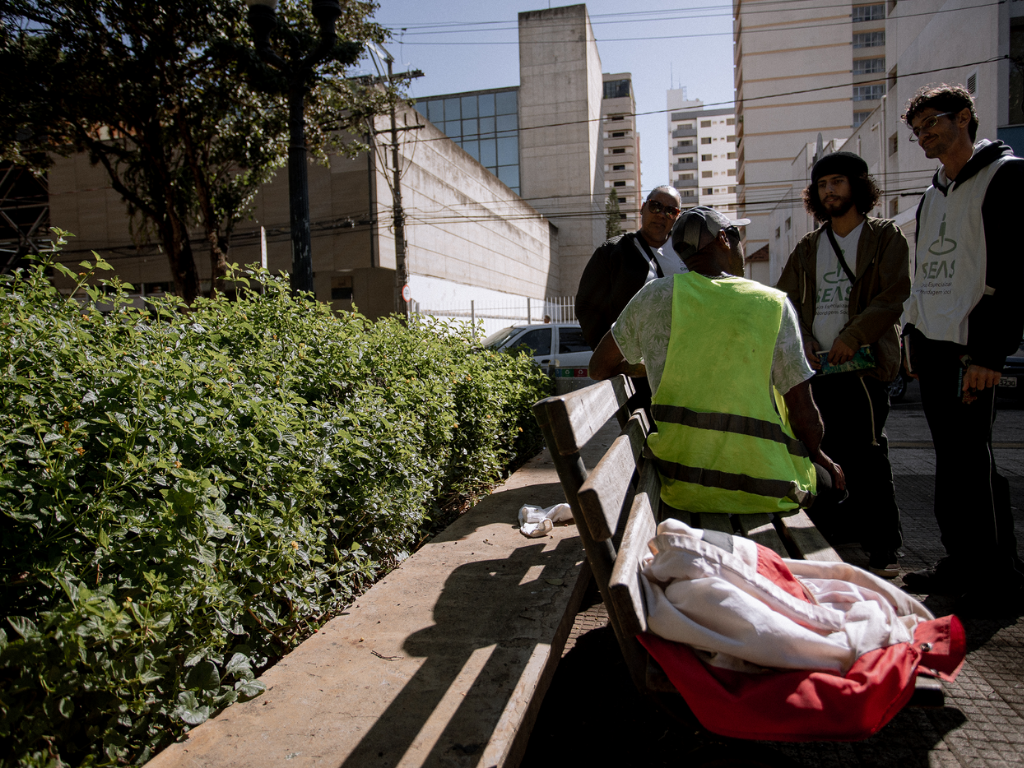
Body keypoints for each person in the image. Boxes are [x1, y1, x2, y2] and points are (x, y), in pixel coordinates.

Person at [589, 206, 844, 514]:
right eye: (738, 238)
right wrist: (818, 454)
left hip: (680, 484)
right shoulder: (771, 304)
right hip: (765, 487)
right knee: (830, 485)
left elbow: (598, 367)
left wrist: (655, 367)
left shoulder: (652, 296)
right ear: (724, 239)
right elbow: (804, 413)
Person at [901, 83, 1024, 615]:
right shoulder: (932, 195)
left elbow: (1014, 272)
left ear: (965, 116)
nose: (924, 135)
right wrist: (912, 334)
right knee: (951, 462)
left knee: (974, 463)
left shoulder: (1007, 176)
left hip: (973, 349)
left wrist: (991, 353)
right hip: (932, 345)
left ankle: (1000, 579)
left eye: (932, 122)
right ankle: (961, 561)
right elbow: (926, 271)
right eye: (918, 129)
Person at [776, 152, 911, 578]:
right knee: (822, 454)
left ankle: (883, 549)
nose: (829, 191)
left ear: (858, 185)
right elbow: (785, 301)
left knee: (867, 455)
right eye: (822, 185)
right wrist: (805, 339)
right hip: (818, 370)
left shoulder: (884, 237)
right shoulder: (808, 246)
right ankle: (835, 539)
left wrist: (852, 338)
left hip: (864, 369)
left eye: (837, 181)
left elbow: (892, 295)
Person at [577, 186, 695, 409]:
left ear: (677, 217)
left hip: (683, 370)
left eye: (671, 211)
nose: (662, 214)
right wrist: (615, 360)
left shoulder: (688, 254)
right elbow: (587, 307)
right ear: (643, 208)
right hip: (639, 375)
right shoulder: (613, 252)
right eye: (656, 206)